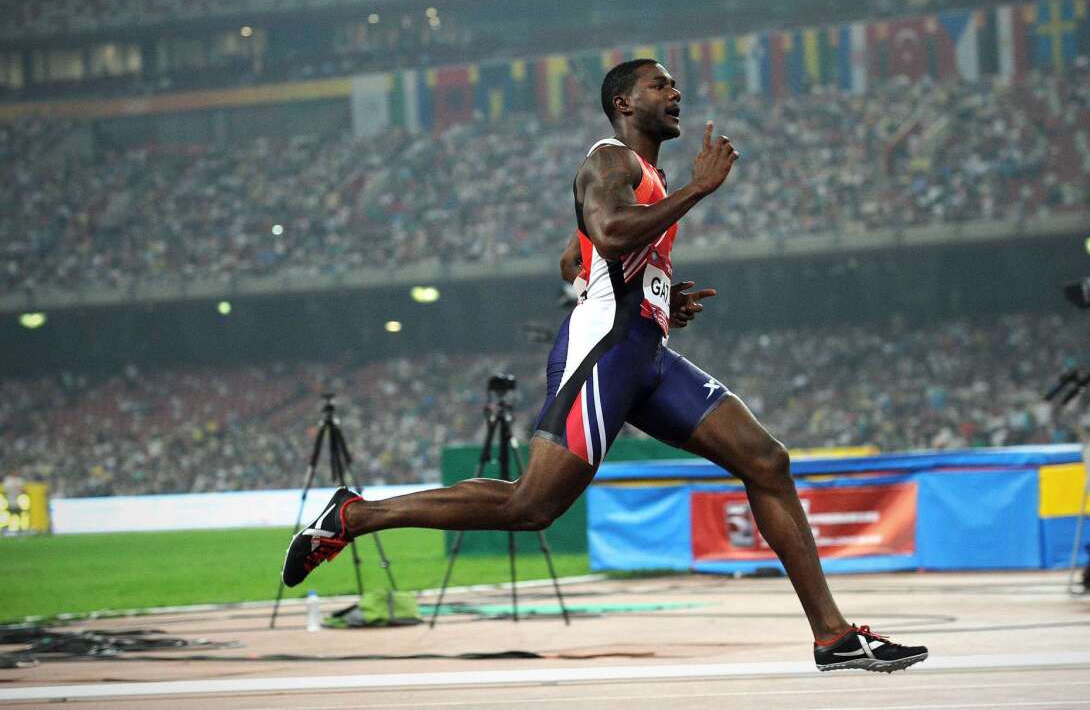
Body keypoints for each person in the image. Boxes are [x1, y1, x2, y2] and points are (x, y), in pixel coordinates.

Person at [282, 59, 927, 673]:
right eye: (660, 86)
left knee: (767, 461)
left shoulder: (647, 174)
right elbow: (612, 233)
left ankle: (833, 636)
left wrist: (652, 291)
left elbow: (578, 256)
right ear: (625, 103)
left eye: (675, 86)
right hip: (604, 349)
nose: (676, 94)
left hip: (644, 348)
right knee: (530, 506)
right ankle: (354, 517)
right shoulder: (607, 159)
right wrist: (696, 195)